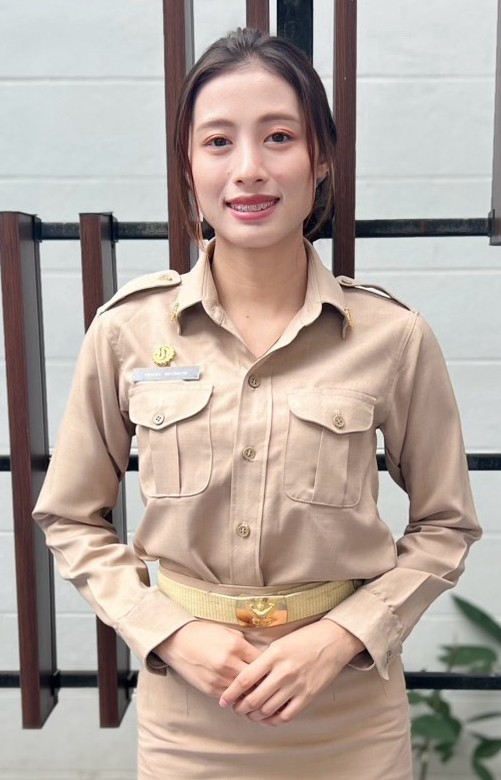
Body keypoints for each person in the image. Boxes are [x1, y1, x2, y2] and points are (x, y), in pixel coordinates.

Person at [33, 27, 481, 780]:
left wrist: (341, 636)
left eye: (279, 137)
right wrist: (170, 632)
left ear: (321, 157)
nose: (248, 169)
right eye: (218, 142)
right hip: (190, 712)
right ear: (188, 165)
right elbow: (70, 518)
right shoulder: (127, 332)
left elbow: (446, 525)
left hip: (348, 710)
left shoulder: (392, 336)